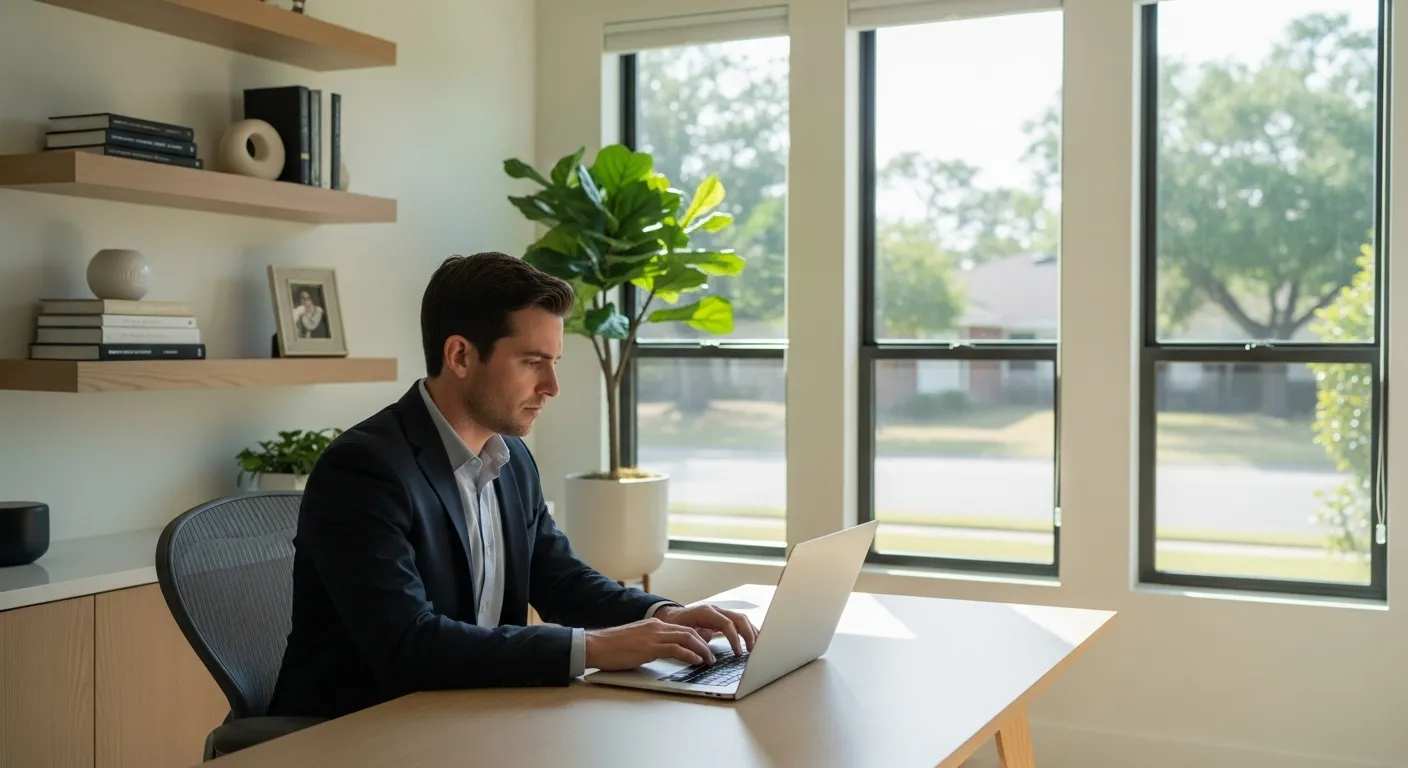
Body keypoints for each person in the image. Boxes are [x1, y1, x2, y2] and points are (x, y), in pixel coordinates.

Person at [266, 251, 757, 720]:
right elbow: (408, 644)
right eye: (531, 362)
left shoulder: (511, 456)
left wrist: (663, 613)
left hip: (473, 713)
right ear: (460, 355)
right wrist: (597, 648)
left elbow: (558, 578)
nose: (551, 386)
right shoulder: (364, 470)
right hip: (357, 730)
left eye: (554, 362)